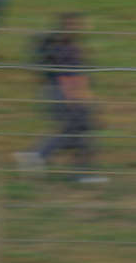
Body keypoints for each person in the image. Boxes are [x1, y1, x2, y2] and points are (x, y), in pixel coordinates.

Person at [16, 14, 104, 183]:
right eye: (79, 24)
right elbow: (71, 77)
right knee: (75, 131)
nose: (83, 27)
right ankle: (39, 157)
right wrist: (82, 99)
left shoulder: (58, 46)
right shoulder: (68, 48)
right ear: (69, 26)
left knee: (76, 131)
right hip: (66, 93)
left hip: (55, 91)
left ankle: (78, 171)